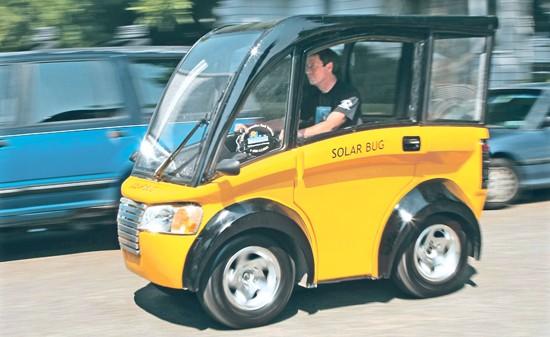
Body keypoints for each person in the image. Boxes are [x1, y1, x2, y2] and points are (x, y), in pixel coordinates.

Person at [298, 48, 361, 139]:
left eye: (312, 66)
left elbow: (330, 126)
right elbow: (292, 120)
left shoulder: (349, 94)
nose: (307, 71)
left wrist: (296, 135)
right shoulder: (312, 94)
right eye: (306, 67)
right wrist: (269, 126)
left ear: (329, 67)